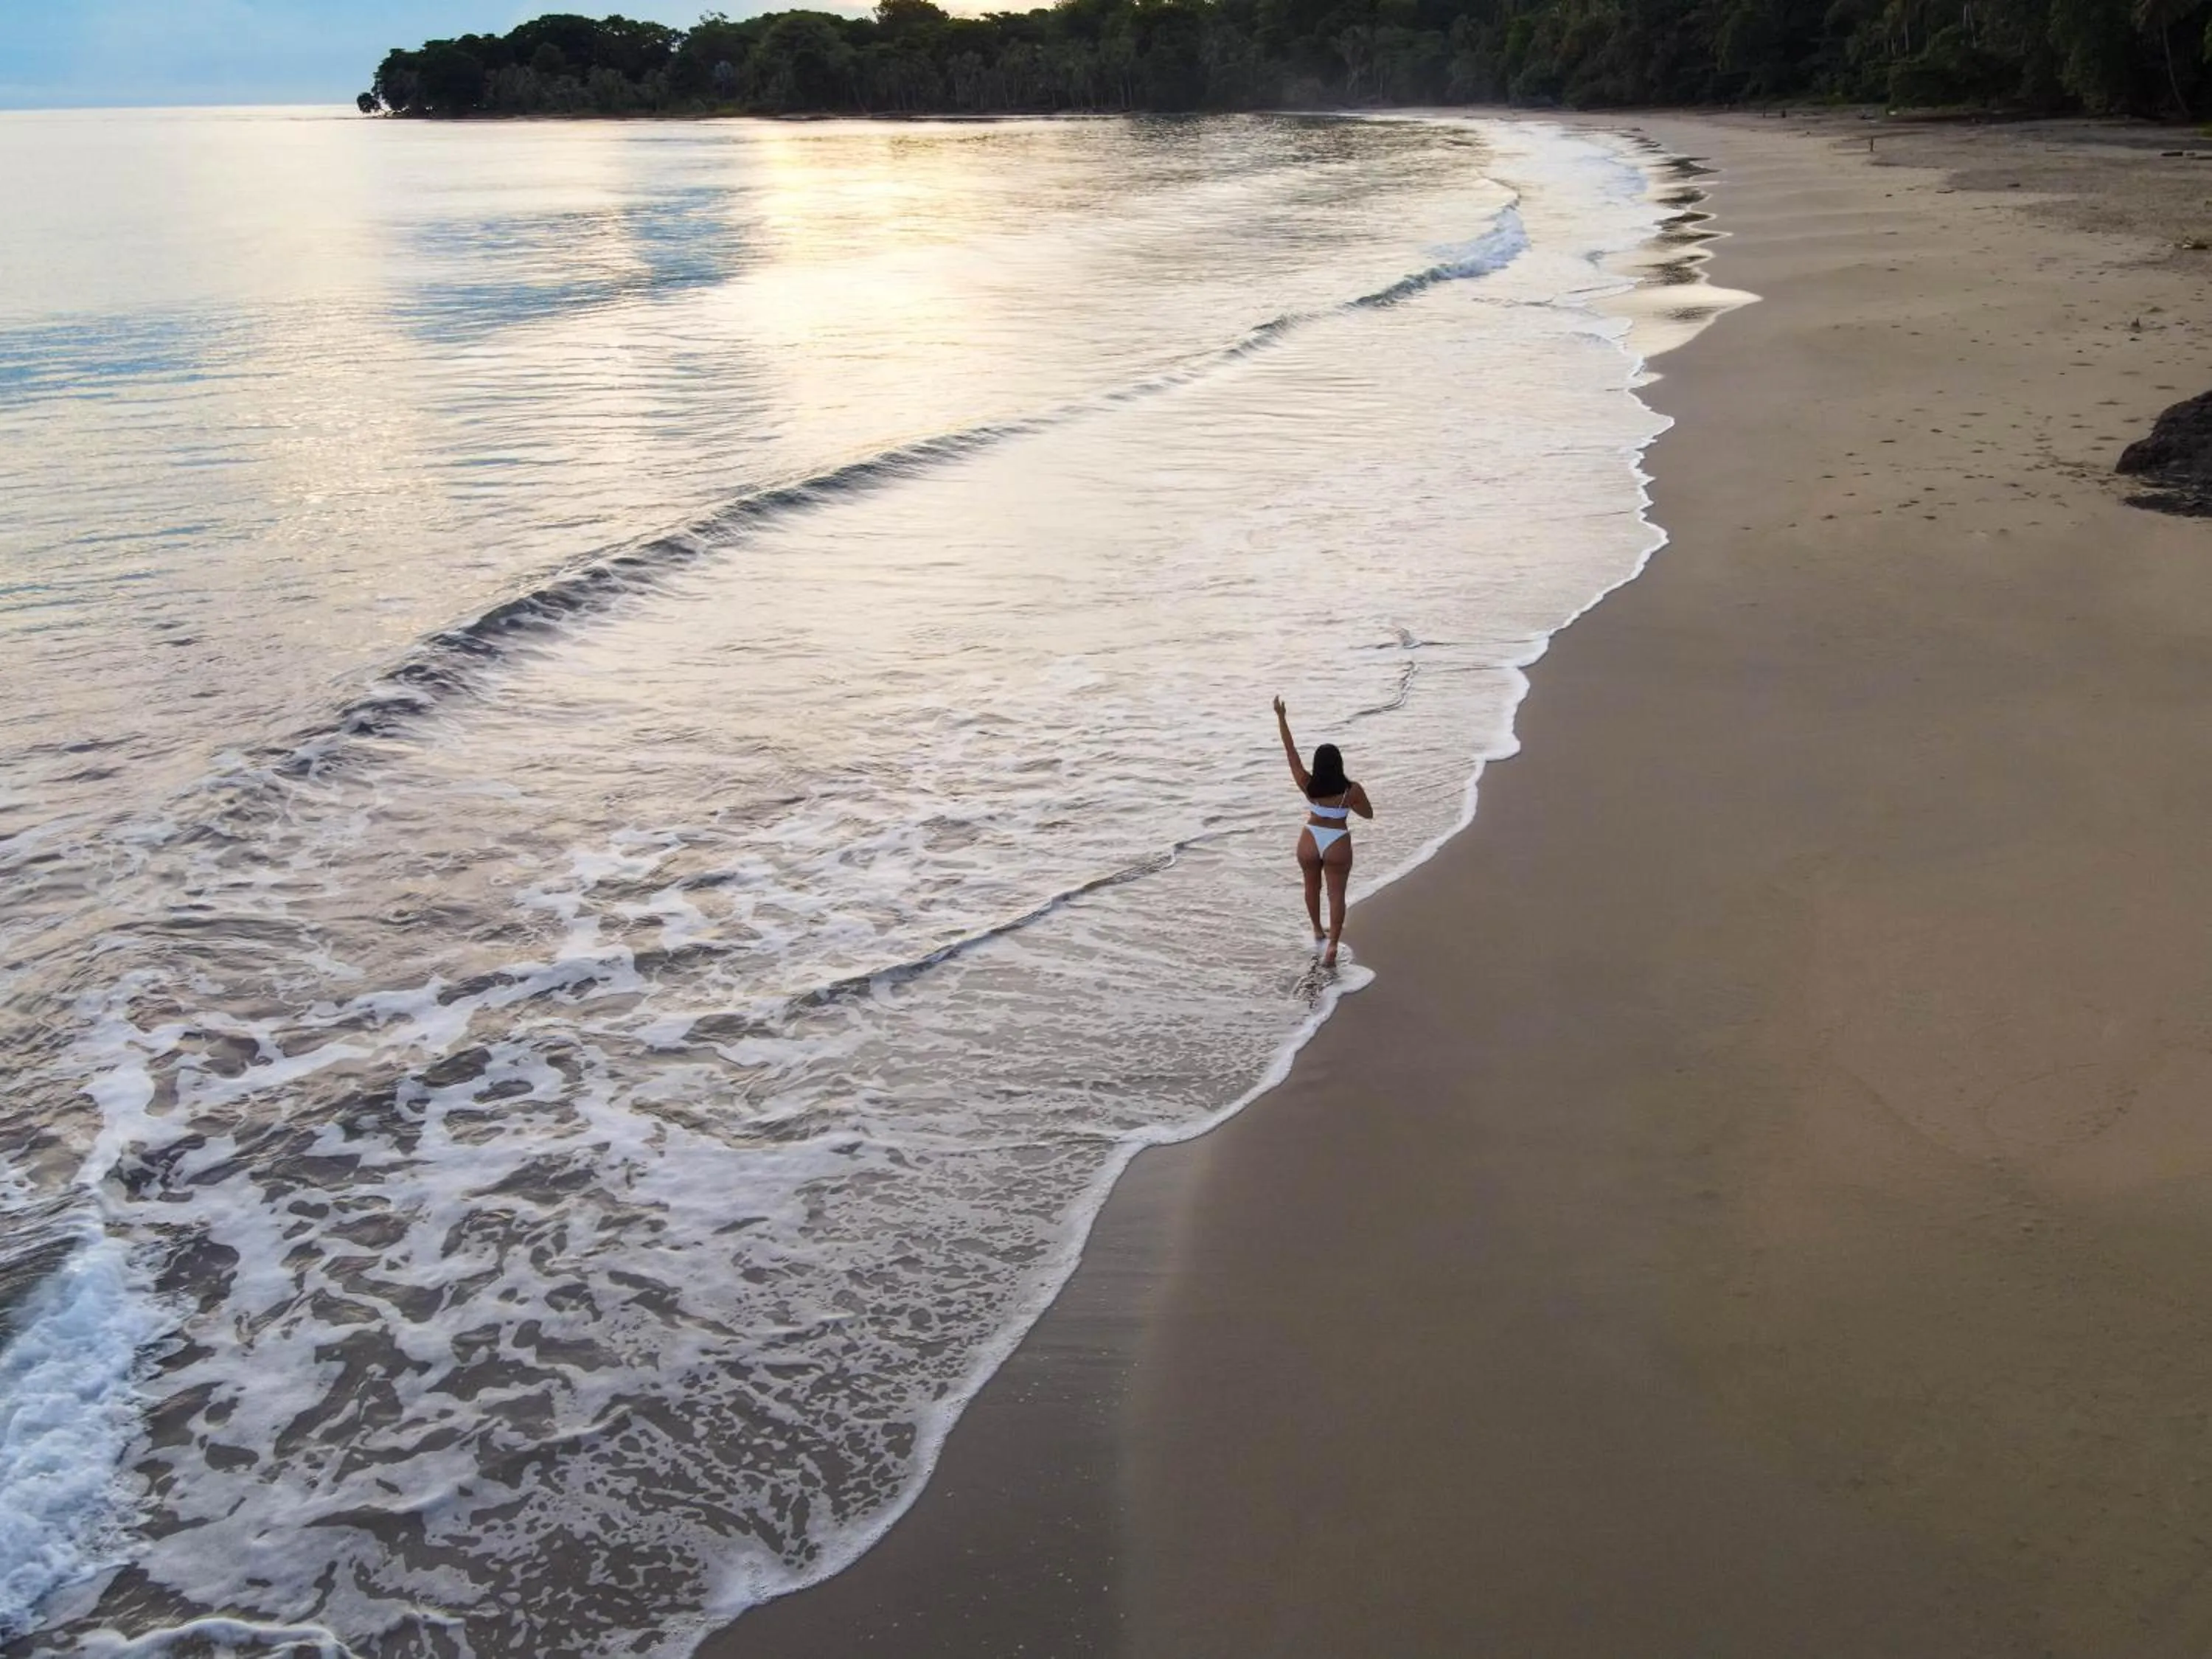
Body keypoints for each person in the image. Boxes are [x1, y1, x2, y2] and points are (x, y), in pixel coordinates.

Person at [1273, 696, 1373, 968]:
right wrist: (1352, 805)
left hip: (1310, 838)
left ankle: (1317, 929)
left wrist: (1281, 717)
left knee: (1311, 887)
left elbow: (1290, 752)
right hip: (1337, 841)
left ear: (1317, 765)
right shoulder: (1351, 790)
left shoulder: (1307, 784)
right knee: (1336, 894)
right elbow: (1369, 814)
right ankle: (1332, 946)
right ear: (1338, 764)